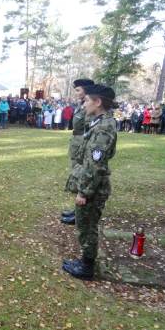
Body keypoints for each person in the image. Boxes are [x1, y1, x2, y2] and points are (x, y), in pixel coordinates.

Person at [63, 84, 117, 280]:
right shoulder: (100, 122)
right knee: (85, 224)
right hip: (92, 184)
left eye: (87, 100)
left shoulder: (103, 128)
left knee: (87, 227)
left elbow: (96, 165)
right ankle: (85, 260)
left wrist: (83, 192)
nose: (84, 104)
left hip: (93, 188)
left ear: (98, 102)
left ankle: (87, 266)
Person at [61, 79, 95, 225]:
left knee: (81, 176)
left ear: (86, 91)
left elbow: (89, 128)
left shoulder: (89, 107)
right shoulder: (82, 105)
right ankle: (76, 210)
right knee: (76, 176)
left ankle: (79, 214)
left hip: (82, 144)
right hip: (77, 142)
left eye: (78, 90)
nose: (76, 93)